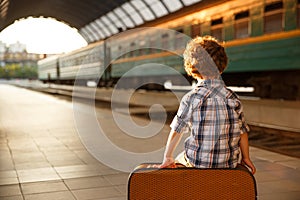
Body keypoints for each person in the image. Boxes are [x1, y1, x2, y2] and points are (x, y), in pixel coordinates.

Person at [159, 35, 256, 174]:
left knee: (179, 160)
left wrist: (168, 156)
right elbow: (243, 133)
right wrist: (246, 158)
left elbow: (177, 130)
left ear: (193, 67)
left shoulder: (191, 98)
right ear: (222, 65)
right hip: (229, 164)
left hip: (198, 163)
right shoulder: (233, 98)